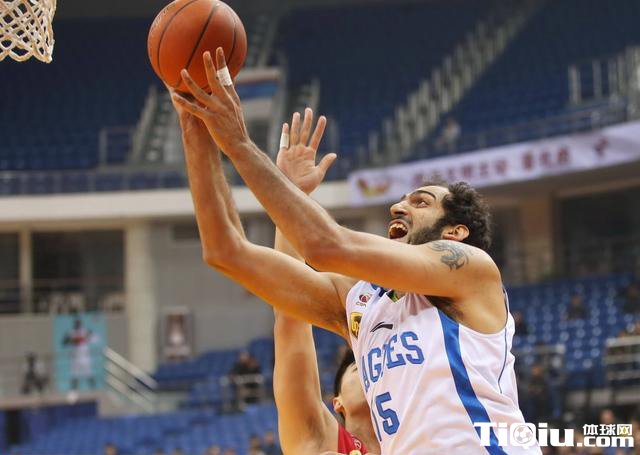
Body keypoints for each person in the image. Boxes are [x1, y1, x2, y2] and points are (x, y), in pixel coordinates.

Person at [171, 49, 540, 453]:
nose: (398, 207)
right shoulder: (363, 303)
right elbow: (226, 251)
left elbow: (325, 245)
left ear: (455, 232)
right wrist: (194, 123)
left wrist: (238, 143)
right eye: (402, 200)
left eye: (420, 202)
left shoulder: (471, 269)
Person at [170, 97, 376, 454]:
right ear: (338, 403)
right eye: (359, 369)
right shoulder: (319, 437)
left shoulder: (420, 436)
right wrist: (290, 197)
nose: (372, 370)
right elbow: (290, 313)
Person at [63, 318, 97, 390]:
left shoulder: (85, 331)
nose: (77, 325)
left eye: (78, 323)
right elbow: (65, 342)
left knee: (88, 373)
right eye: (76, 323)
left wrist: (85, 337)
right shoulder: (71, 332)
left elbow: (92, 337)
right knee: (74, 374)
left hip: (84, 356)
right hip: (75, 356)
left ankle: (94, 389)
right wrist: (70, 339)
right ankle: (73, 390)